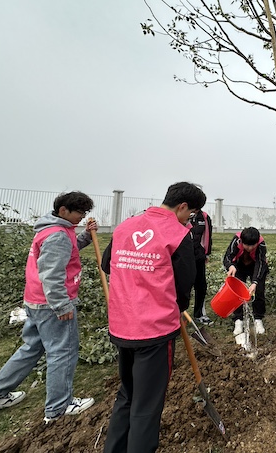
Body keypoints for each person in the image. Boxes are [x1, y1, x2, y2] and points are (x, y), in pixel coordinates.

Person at [0, 191, 97, 423]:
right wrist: (61, 305)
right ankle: (59, 408)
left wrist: (86, 236)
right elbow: (52, 274)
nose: (82, 216)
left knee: (30, 349)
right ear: (63, 211)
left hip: (36, 301)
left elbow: (66, 253)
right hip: (51, 305)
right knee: (62, 352)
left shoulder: (51, 229)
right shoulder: (58, 235)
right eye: (79, 212)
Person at [101, 181, 205, 453]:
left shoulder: (126, 226)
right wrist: (178, 306)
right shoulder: (178, 234)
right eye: (191, 214)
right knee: (147, 404)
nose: (189, 220)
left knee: (127, 393)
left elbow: (106, 264)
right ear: (183, 207)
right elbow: (185, 283)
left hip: (122, 326)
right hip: (155, 330)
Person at [222, 227, 268, 335]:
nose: (250, 248)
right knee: (237, 292)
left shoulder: (261, 244)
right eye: (247, 245)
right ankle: (238, 320)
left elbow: (260, 263)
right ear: (242, 242)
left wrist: (255, 282)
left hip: (255, 266)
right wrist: (231, 266)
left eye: (253, 245)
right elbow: (228, 256)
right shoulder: (236, 240)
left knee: (259, 290)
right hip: (239, 266)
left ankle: (258, 319)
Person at [190, 210, 213, 325]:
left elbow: (208, 235)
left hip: (199, 256)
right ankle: (176, 315)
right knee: (181, 286)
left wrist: (206, 253)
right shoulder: (180, 213)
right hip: (183, 256)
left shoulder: (204, 217)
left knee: (201, 286)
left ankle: (199, 314)